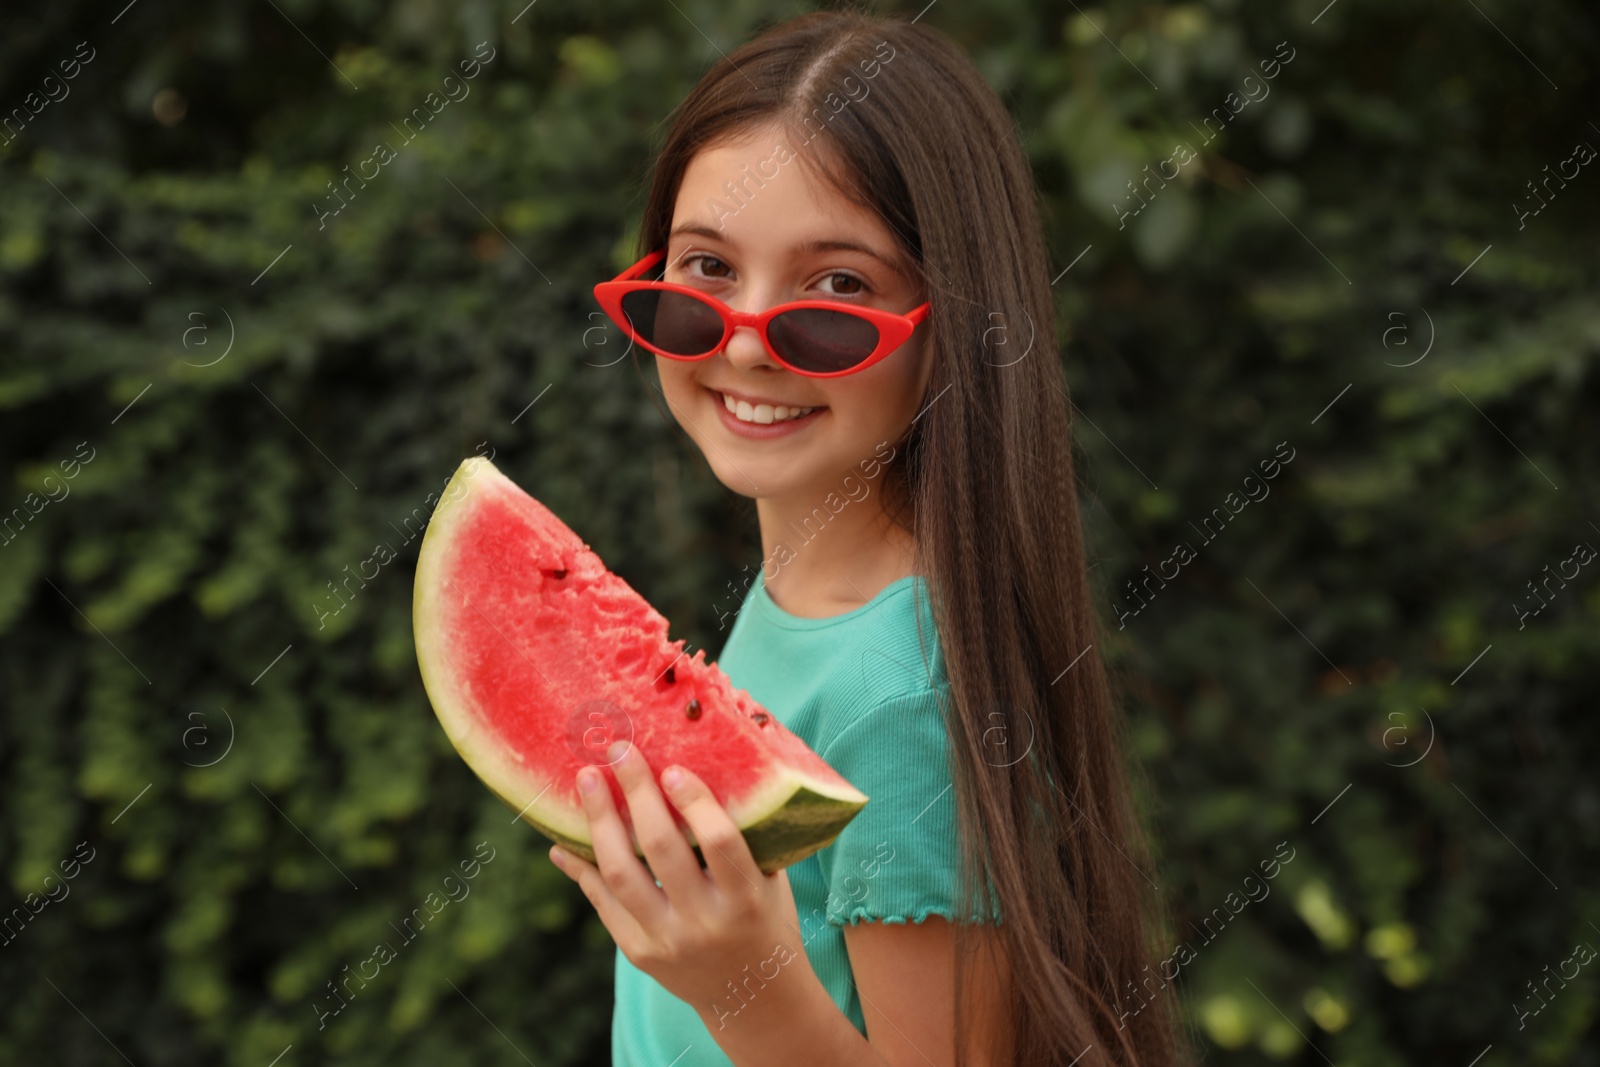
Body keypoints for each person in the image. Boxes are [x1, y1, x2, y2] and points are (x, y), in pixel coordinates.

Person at [549, 11, 1188, 1066]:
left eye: (838, 285)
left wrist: (737, 988)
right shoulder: (806, 603)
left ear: (954, 326)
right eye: (706, 266)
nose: (748, 340)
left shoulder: (898, 695)